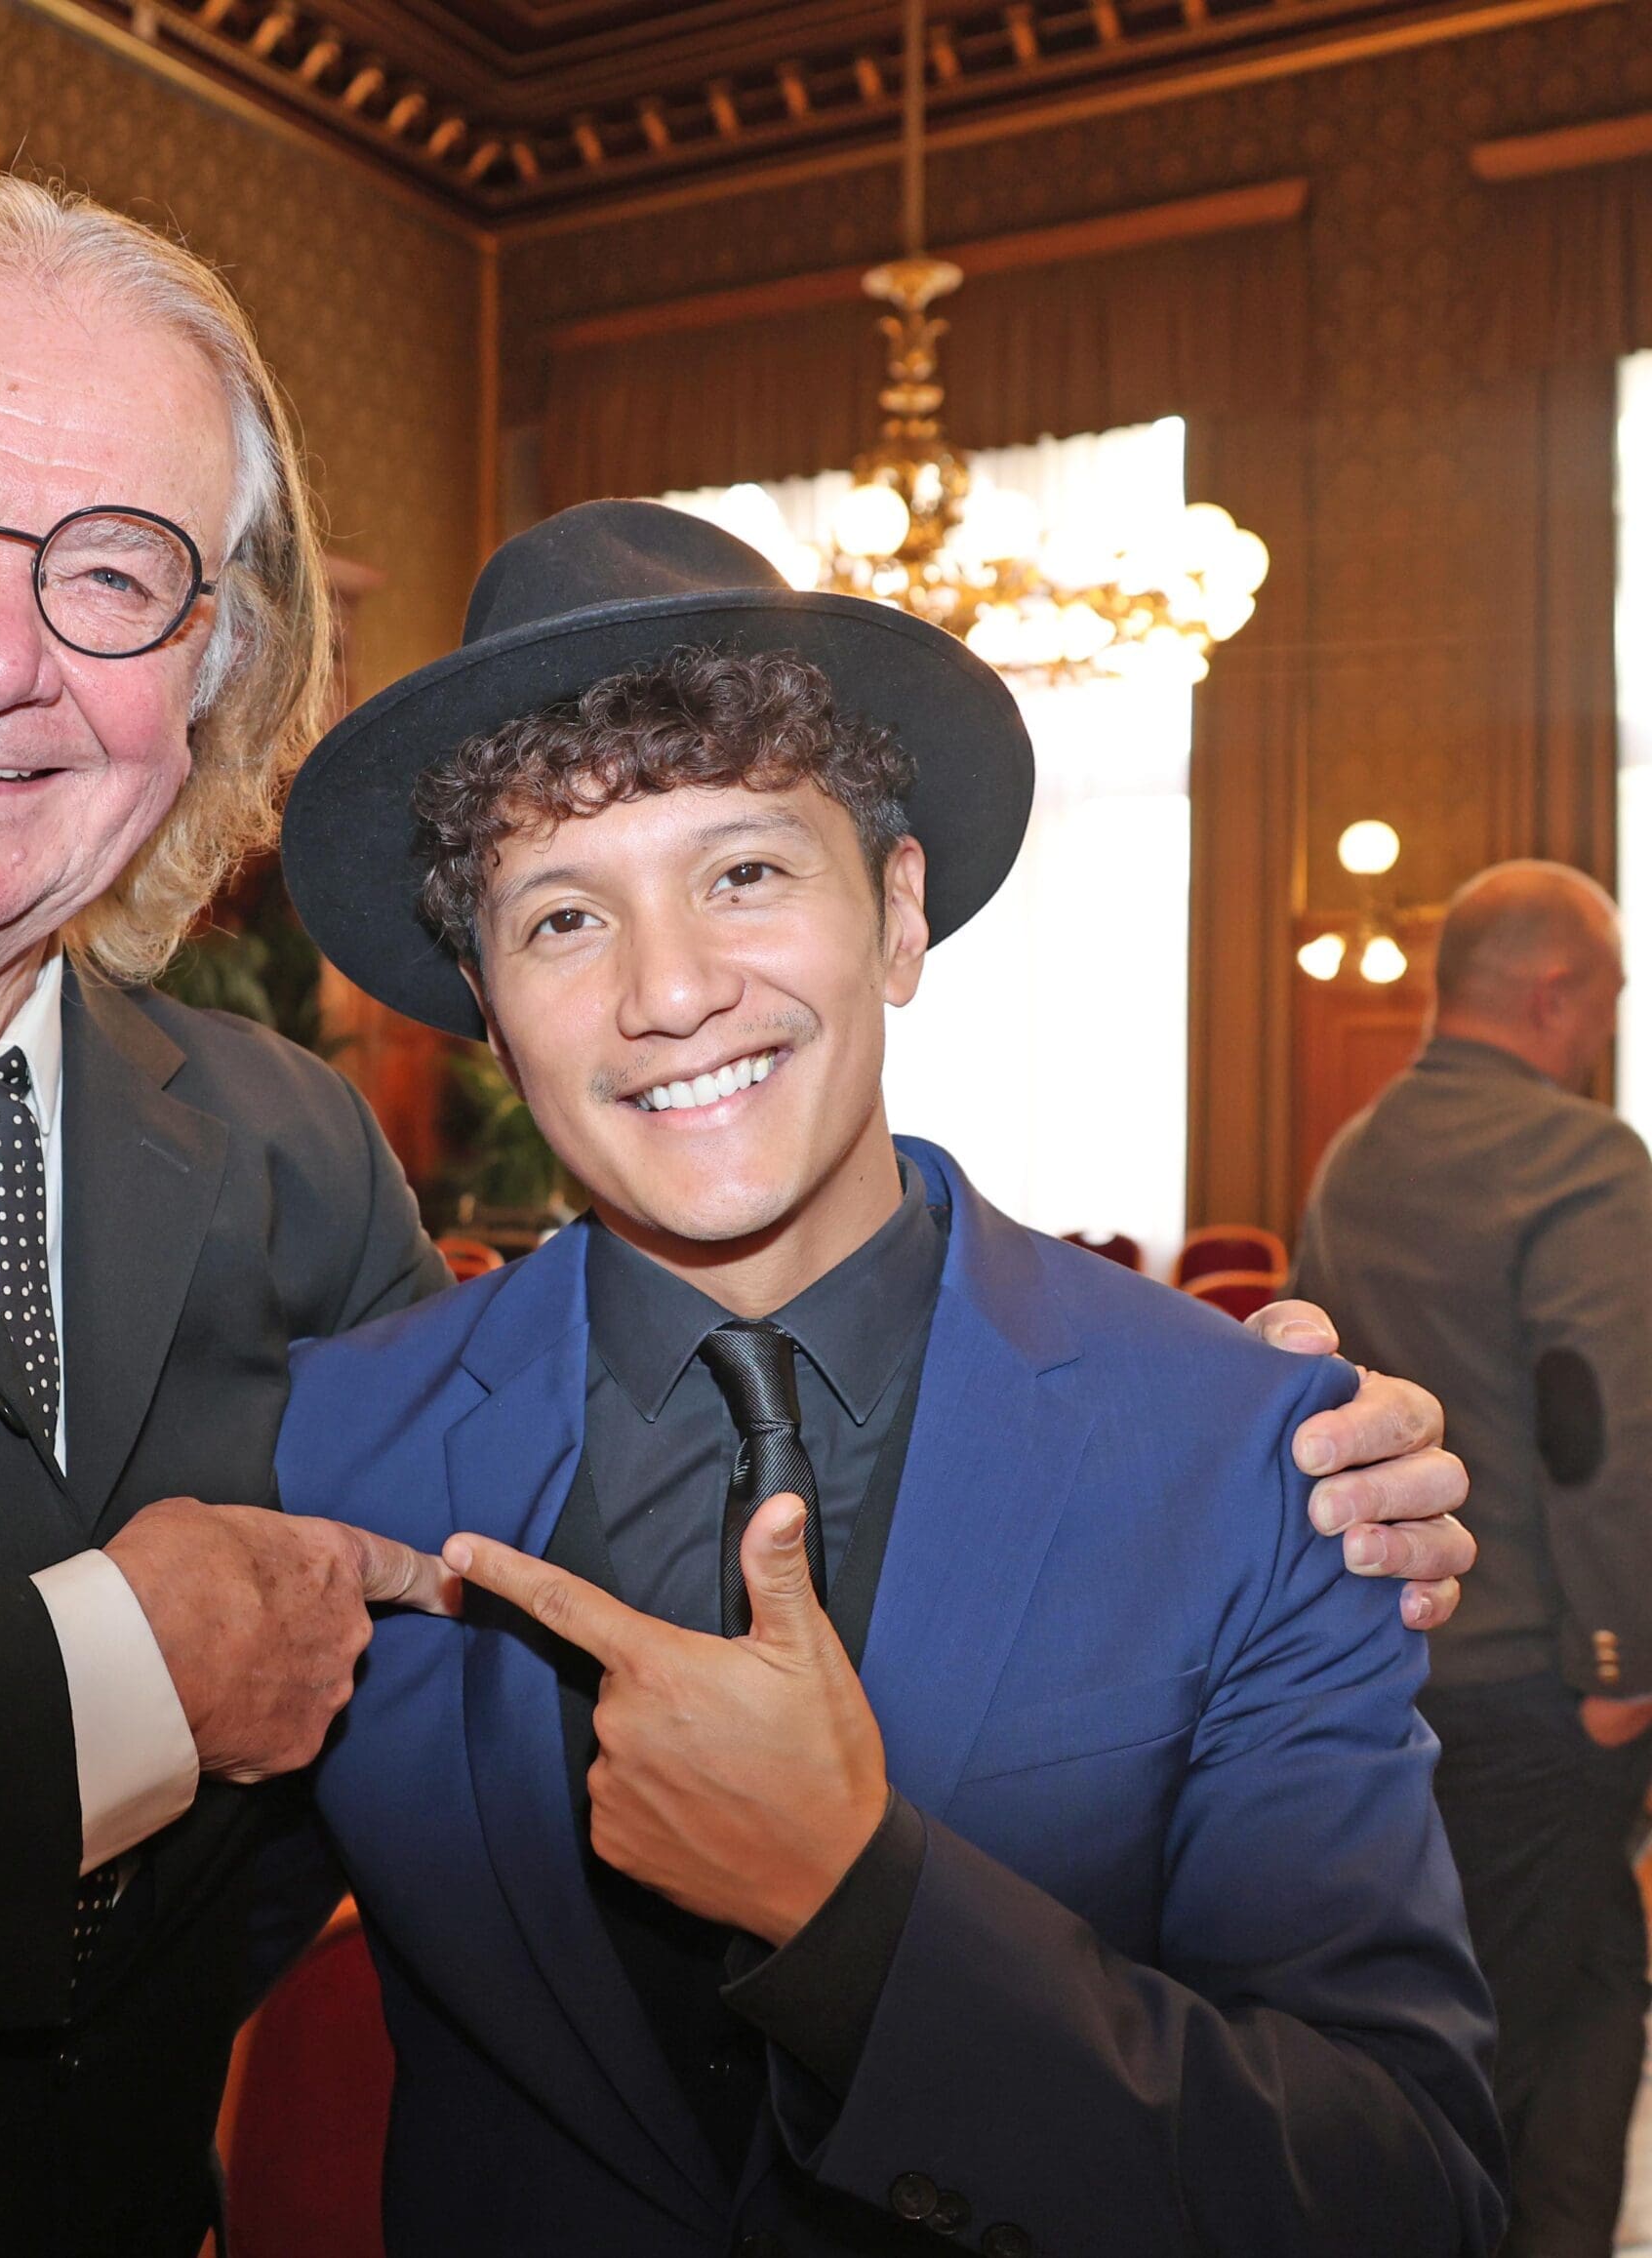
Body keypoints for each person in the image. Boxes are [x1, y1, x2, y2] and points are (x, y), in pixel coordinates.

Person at [0, 173, 1466, 2250]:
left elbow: (1396, 2156)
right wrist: (107, 1676)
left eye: (110, 570)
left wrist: (1243, 1443)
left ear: (207, 674)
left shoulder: (283, 1159)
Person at [271, 500, 1505, 2258]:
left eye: (745, 873)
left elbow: (1401, 2193)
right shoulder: (337, 1443)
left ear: (900, 912)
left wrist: (858, 1918)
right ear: (484, 997)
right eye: (562, 917)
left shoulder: (1251, 1456)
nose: (671, 991)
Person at [1295, 860, 1652, 2258]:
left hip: (1391, 1664)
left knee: (1577, 1986)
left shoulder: (1356, 1150)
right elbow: (1598, 1430)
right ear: (1555, 993)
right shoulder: (1582, 1157)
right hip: (1545, 1677)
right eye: (1611, 995)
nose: (1611, 1023)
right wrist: (1621, 1660)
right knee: (1507, 2040)